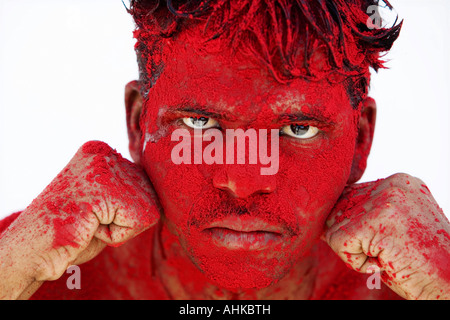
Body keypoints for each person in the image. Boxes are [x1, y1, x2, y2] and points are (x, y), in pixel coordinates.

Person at [0, 0, 449, 300]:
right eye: (201, 124)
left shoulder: (423, 279)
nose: (244, 181)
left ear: (361, 139)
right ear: (140, 124)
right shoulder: (35, 265)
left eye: (297, 128)